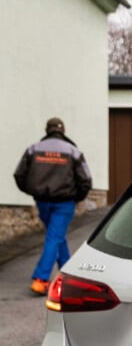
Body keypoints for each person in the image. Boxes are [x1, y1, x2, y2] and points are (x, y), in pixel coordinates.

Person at [13, 117, 92, 295]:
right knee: (55, 237)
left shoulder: (33, 149)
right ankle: (41, 279)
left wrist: (32, 191)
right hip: (65, 202)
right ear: (63, 130)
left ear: (46, 130)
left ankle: (68, 274)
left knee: (55, 237)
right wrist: (77, 197)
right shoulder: (73, 151)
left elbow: (19, 175)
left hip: (42, 201)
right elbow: (86, 179)